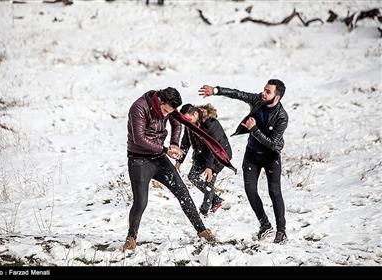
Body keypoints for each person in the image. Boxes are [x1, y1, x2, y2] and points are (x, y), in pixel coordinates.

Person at [123, 87, 216, 251]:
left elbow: (176, 123)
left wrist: (174, 142)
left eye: (170, 111)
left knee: (183, 193)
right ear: (159, 101)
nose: (166, 114)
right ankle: (131, 238)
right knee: (141, 202)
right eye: (165, 110)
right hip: (139, 159)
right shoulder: (139, 107)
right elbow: (139, 138)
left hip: (159, 158)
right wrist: (165, 150)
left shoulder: (169, 109)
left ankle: (202, 231)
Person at [198, 79, 288, 244]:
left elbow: (273, 144)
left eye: (268, 92)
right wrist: (216, 90)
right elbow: (238, 94)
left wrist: (253, 129)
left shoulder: (282, 117)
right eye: (264, 89)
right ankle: (265, 225)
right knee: (250, 190)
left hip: (271, 157)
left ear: (277, 97)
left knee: (274, 192)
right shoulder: (258, 100)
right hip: (252, 155)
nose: (263, 93)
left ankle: (281, 232)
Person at [175, 103, 232, 216]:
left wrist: (209, 167)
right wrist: (179, 161)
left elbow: (214, 147)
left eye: (189, 119)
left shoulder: (211, 124)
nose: (188, 122)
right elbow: (185, 143)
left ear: (196, 113)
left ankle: (204, 211)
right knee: (192, 176)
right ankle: (216, 199)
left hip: (220, 155)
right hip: (202, 154)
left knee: (209, 181)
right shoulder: (190, 125)